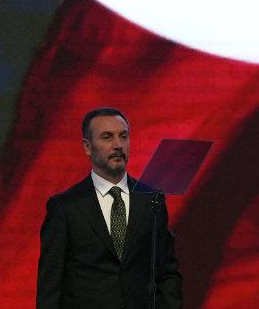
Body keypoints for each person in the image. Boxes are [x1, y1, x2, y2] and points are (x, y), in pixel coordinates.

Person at [36, 107, 183, 307]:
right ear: (87, 147)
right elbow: (50, 286)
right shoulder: (64, 207)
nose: (118, 145)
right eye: (107, 137)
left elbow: (167, 273)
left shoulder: (152, 200)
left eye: (123, 136)